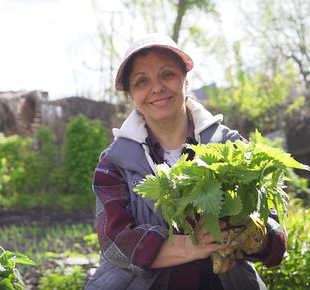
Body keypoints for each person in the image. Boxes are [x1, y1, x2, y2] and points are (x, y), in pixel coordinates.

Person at [85, 33, 286, 290]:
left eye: (167, 74)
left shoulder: (232, 146)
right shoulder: (114, 163)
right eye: (141, 81)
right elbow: (116, 244)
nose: (157, 87)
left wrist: (255, 236)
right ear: (131, 96)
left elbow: (275, 236)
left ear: (185, 81)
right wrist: (193, 244)